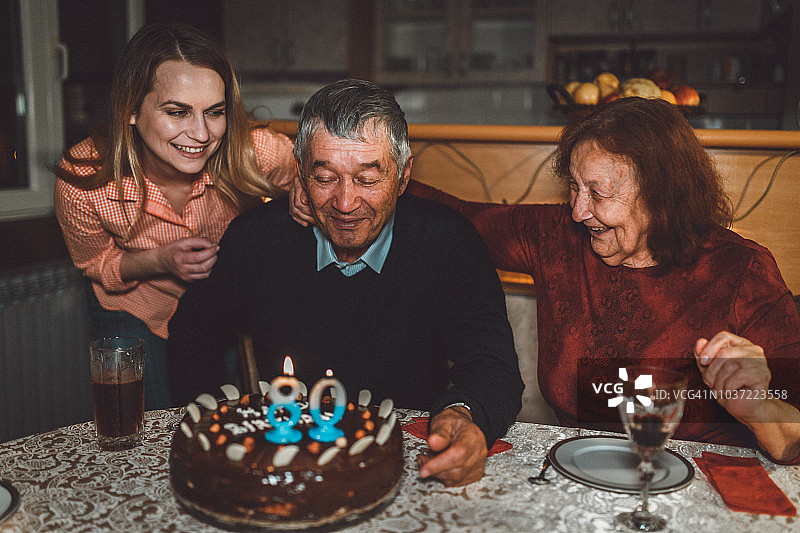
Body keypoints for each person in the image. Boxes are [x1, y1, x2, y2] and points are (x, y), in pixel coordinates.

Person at [387, 97, 800, 463]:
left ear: (660, 195)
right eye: (574, 187)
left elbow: (793, 440)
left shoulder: (742, 272)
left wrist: (759, 406)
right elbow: (462, 217)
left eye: (598, 193)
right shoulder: (558, 238)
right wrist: (367, 188)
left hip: (690, 496)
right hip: (573, 483)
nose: (578, 211)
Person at [167, 78, 524, 486]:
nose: (345, 203)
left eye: (368, 180)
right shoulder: (256, 240)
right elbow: (193, 336)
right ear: (300, 175)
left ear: (404, 176)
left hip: (406, 460)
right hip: (288, 461)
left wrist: (463, 413)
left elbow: (492, 365)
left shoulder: (448, 242)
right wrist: (216, 425)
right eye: (325, 178)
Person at [54, 23, 297, 410]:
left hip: (217, 304)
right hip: (132, 305)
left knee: (214, 419)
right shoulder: (84, 179)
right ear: (131, 109)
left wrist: (302, 194)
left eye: (214, 112)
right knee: (144, 427)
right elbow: (94, 263)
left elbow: (309, 177)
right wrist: (160, 259)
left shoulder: (254, 152)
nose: (201, 134)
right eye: (178, 112)